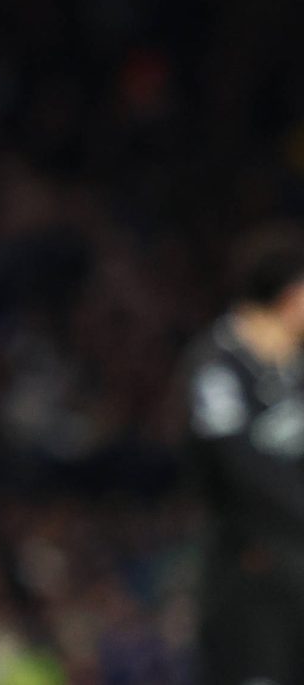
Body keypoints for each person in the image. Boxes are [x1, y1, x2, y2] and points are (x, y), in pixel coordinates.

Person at [180, 229, 304, 685]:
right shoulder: (216, 367)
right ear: (291, 296)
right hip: (250, 570)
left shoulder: (294, 366)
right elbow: (237, 468)